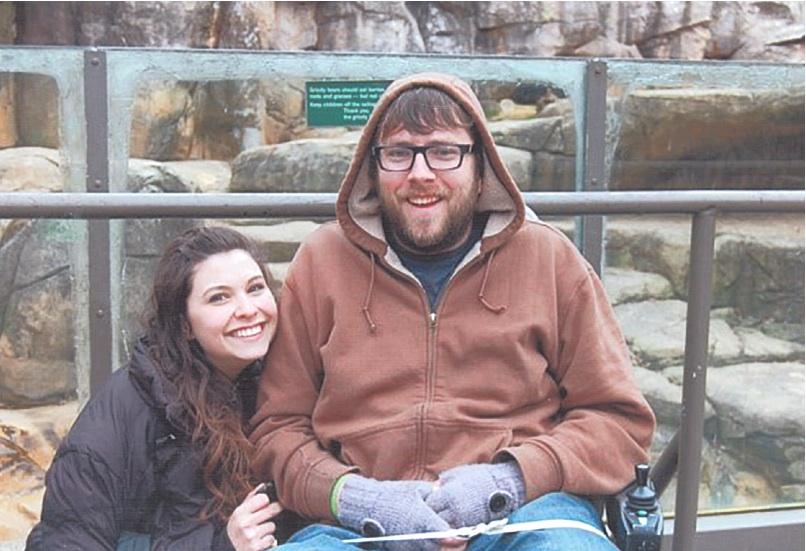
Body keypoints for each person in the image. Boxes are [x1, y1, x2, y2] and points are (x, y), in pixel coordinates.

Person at [249, 73, 656, 551]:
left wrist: (506, 482)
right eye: (399, 153)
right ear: (372, 168)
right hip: (355, 525)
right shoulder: (321, 261)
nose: (421, 173)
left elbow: (619, 422)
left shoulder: (550, 259)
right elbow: (276, 429)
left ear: (482, 167)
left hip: (525, 516)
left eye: (445, 151)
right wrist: (358, 499)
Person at [27, 227, 286, 551]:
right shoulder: (126, 413)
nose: (248, 309)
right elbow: (67, 541)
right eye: (219, 297)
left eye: (256, 288)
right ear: (184, 325)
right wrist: (223, 547)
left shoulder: (282, 381)